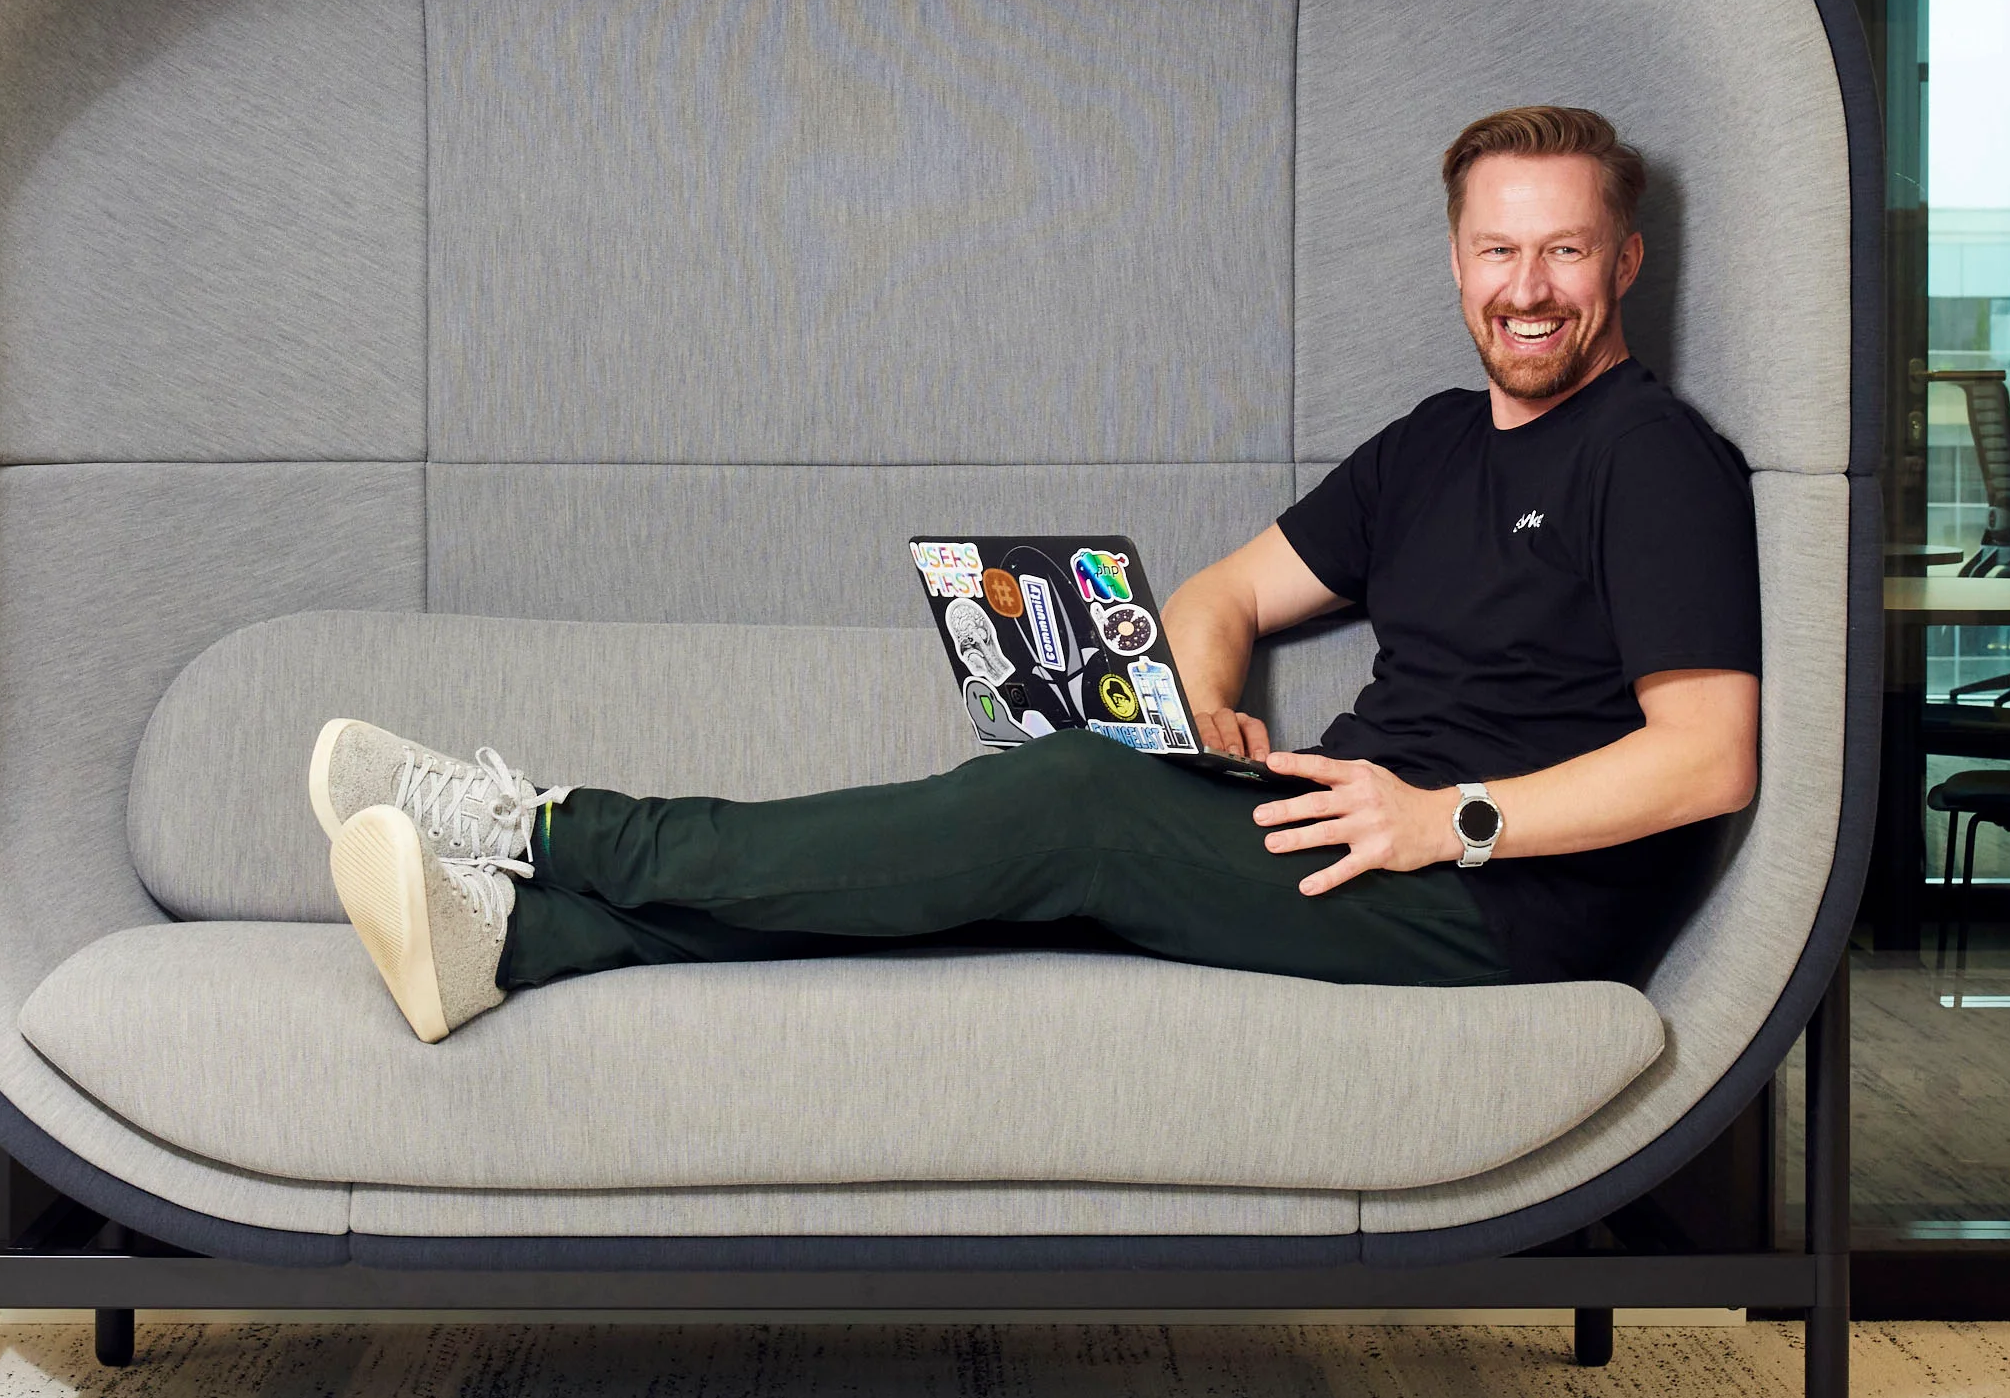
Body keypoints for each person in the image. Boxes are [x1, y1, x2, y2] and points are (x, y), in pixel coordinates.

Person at [312, 105, 1762, 1043]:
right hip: (1340, 827)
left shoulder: (1650, 457)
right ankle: (518, 936)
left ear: (1621, 264)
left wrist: (1451, 821)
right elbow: (1226, 594)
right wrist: (1195, 710)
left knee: (1064, 798)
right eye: (1496, 249)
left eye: (1561, 250)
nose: (1526, 286)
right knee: (1011, 835)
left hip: (1492, 906)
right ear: (1452, 264)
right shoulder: (1436, 444)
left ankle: (547, 828)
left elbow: (1708, 760)